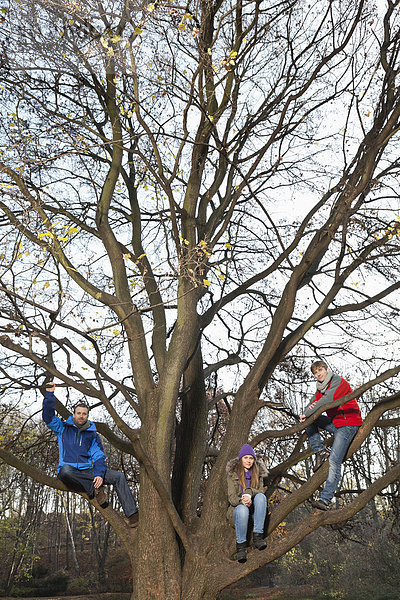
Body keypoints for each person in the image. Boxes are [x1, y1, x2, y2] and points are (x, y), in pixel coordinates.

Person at [43, 382, 139, 527]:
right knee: (65, 471)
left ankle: (133, 515)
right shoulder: (62, 428)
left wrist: (99, 474)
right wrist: (49, 394)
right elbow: (48, 417)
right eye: (79, 413)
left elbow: (99, 457)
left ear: (87, 415)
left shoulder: (92, 435)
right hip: (70, 471)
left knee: (118, 476)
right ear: (74, 414)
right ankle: (93, 488)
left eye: (84, 414)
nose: (81, 416)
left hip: (88, 470)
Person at [300, 360, 362, 510]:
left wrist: (308, 411)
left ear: (327, 369)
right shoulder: (321, 388)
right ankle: (319, 451)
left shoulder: (338, 382)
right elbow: (312, 404)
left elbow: (325, 401)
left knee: (334, 460)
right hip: (337, 423)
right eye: (315, 372)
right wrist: (305, 414)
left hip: (348, 424)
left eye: (320, 370)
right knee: (309, 420)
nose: (318, 374)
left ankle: (326, 500)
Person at [226, 444, 268, 563]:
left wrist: (249, 493)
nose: (249, 461)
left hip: (254, 513)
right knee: (242, 509)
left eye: (251, 458)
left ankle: (258, 536)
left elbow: (260, 491)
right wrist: (242, 500)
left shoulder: (258, 474)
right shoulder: (232, 475)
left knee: (260, 496)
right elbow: (232, 498)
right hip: (238, 512)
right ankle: (241, 547)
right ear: (241, 459)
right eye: (246, 458)